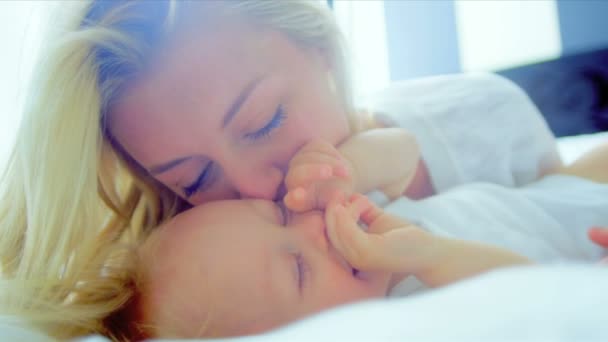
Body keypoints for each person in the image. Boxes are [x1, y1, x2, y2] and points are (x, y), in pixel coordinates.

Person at [0, 0, 562, 340]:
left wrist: (354, 163)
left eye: (264, 120)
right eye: (194, 180)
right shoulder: (201, 275)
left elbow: (403, 149)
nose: (258, 187)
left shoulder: (474, 117)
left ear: (318, 50)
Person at [103, 141, 608, 340]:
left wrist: (348, 168)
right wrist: (433, 256)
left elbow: (403, 148)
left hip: (569, 188)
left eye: (279, 211)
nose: (312, 226)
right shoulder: (411, 317)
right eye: (299, 269)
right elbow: (527, 291)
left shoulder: (356, 211)